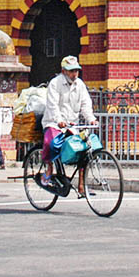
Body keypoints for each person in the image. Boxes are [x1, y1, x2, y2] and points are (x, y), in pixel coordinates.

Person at [42, 55, 96, 194]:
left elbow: (85, 104)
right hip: (54, 123)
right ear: (64, 71)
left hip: (72, 125)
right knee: (52, 144)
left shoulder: (80, 84)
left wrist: (91, 118)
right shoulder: (55, 83)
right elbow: (53, 105)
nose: (74, 74)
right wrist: (59, 120)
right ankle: (49, 167)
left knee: (84, 151)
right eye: (71, 71)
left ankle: (81, 185)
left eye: (76, 71)